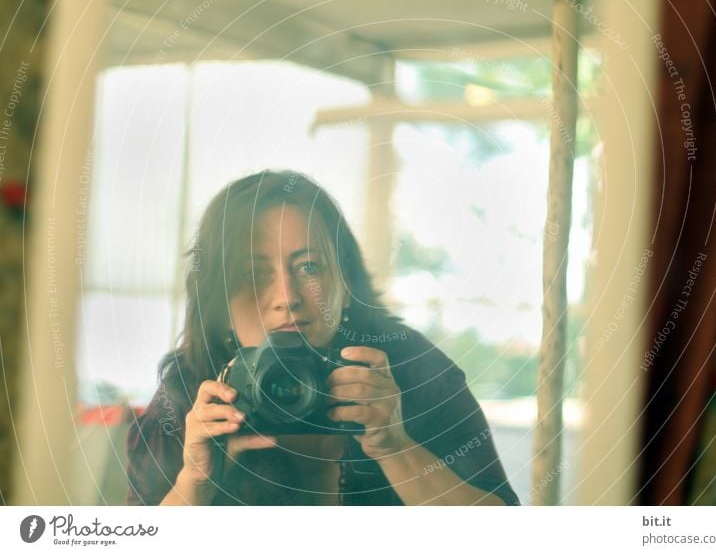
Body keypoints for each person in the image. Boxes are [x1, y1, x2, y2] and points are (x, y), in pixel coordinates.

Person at [126, 170, 519, 506]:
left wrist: (395, 447)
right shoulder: (188, 392)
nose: (287, 297)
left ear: (345, 284)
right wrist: (193, 483)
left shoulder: (411, 372)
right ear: (217, 301)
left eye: (309, 266)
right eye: (253, 272)